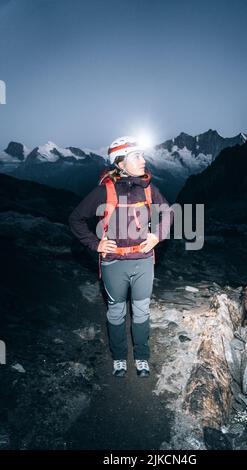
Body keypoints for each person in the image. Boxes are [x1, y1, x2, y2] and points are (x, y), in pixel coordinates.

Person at [68, 136, 174, 378]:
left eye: (142, 155)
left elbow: (168, 212)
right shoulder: (103, 191)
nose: (143, 160)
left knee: (142, 311)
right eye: (136, 156)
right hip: (113, 263)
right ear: (120, 163)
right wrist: (95, 244)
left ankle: (142, 357)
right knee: (116, 312)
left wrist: (158, 236)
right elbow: (75, 219)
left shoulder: (149, 188)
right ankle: (119, 358)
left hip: (144, 260)